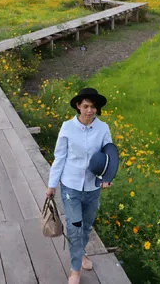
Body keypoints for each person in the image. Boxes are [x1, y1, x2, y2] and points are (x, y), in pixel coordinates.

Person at [45, 88, 115, 284]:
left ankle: (81, 252)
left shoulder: (103, 129)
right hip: (71, 187)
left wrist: (107, 178)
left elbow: (109, 156)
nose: (90, 110)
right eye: (86, 106)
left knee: (86, 227)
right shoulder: (67, 127)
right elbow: (60, 157)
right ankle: (75, 270)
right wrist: (52, 185)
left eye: (93, 107)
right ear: (78, 106)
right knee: (75, 226)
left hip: (93, 188)